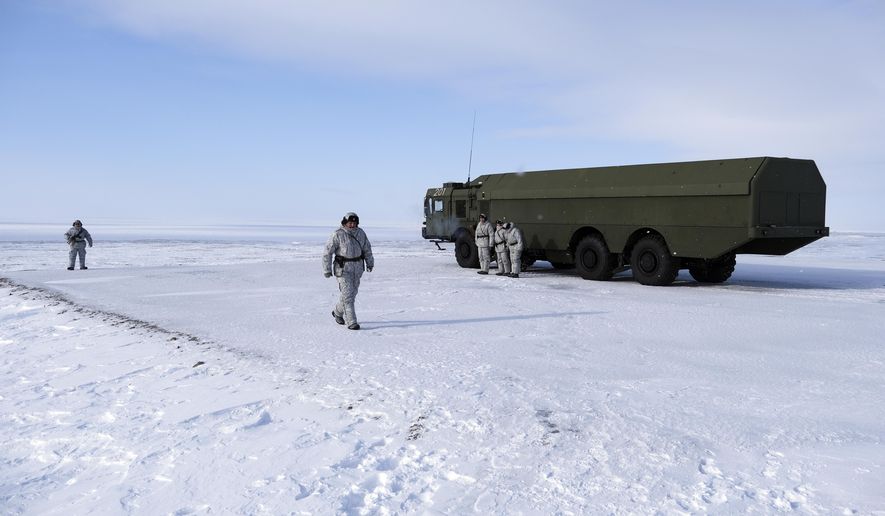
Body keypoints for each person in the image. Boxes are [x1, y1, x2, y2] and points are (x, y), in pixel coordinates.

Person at [322, 212, 374, 330]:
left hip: (357, 268)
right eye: (350, 223)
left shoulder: (361, 233)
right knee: (348, 296)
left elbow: (367, 249)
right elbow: (327, 252)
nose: (352, 225)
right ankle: (351, 322)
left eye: (354, 223)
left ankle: (337, 312)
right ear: (345, 222)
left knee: (351, 294)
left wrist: (370, 262)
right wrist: (327, 269)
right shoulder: (337, 234)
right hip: (343, 269)